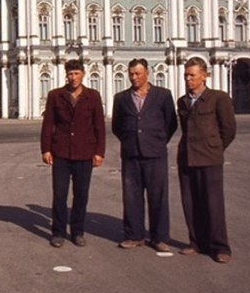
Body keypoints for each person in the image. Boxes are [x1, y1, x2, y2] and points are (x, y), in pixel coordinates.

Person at [112, 59, 178, 251]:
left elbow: (171, 123)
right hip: (131, 154)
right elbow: (117, 126)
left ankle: (160, 238)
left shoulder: (162, 95)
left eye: (138, 73)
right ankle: (134, 235)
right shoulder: (121, 98)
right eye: (131, 74)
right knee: (131, 196)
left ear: (147, 73)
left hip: (155, 153)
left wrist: (157, 140)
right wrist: (130, 140)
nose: (134, 77)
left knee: (158, 196)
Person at [176, 57, 237, 263]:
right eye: (186, 75)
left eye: (192, 75)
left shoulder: (218, 98)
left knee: (213, 203)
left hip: (210, 158)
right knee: (191, 202)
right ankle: (196, 242)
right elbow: (186, 128)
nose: (188, 79)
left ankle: (220, 246)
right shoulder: (183, 101)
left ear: (204, 75)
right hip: (187, 158)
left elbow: (228, 129)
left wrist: (215, 147)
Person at [41, 59, 106, 248]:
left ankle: (78, 232)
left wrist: (99, 152)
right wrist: (45, 149)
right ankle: (58, 232)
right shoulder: (56, 96)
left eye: (76, 73)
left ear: (83, 74)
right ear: (65, 75)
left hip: (84, 153)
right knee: (60, 195)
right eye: (70, 74)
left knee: (81, 195)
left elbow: (99, 126)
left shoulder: (93, 96)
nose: (73, 77)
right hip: (61, 152)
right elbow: (48, 125)